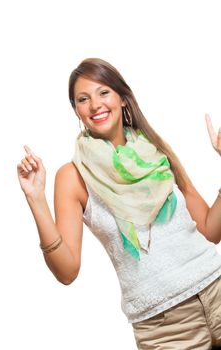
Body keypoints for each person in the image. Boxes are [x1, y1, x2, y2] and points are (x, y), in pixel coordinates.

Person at [17, 58, 221, 349]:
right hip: (165, 327)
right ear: (76, 110)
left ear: (123, 99)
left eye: (103, 93)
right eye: (83, 99)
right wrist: (35, 199)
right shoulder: (73, 177)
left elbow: (211, 231)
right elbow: (67, 271)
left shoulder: (155, 149)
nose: (95, 105)